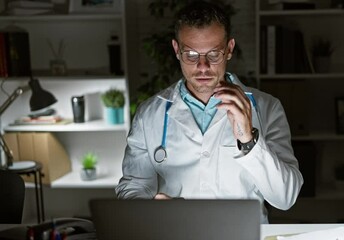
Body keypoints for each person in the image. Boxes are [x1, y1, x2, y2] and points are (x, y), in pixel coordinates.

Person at [115, 1, 303, 223]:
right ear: (176, 50)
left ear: (229, 49)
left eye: (213, 54)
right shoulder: (149, 114)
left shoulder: (268, 108)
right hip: (177, 233)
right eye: (191, 55)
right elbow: (133, 187)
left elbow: (286, 198)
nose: (202, 66)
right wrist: (150, 208)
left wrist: (248, 140)